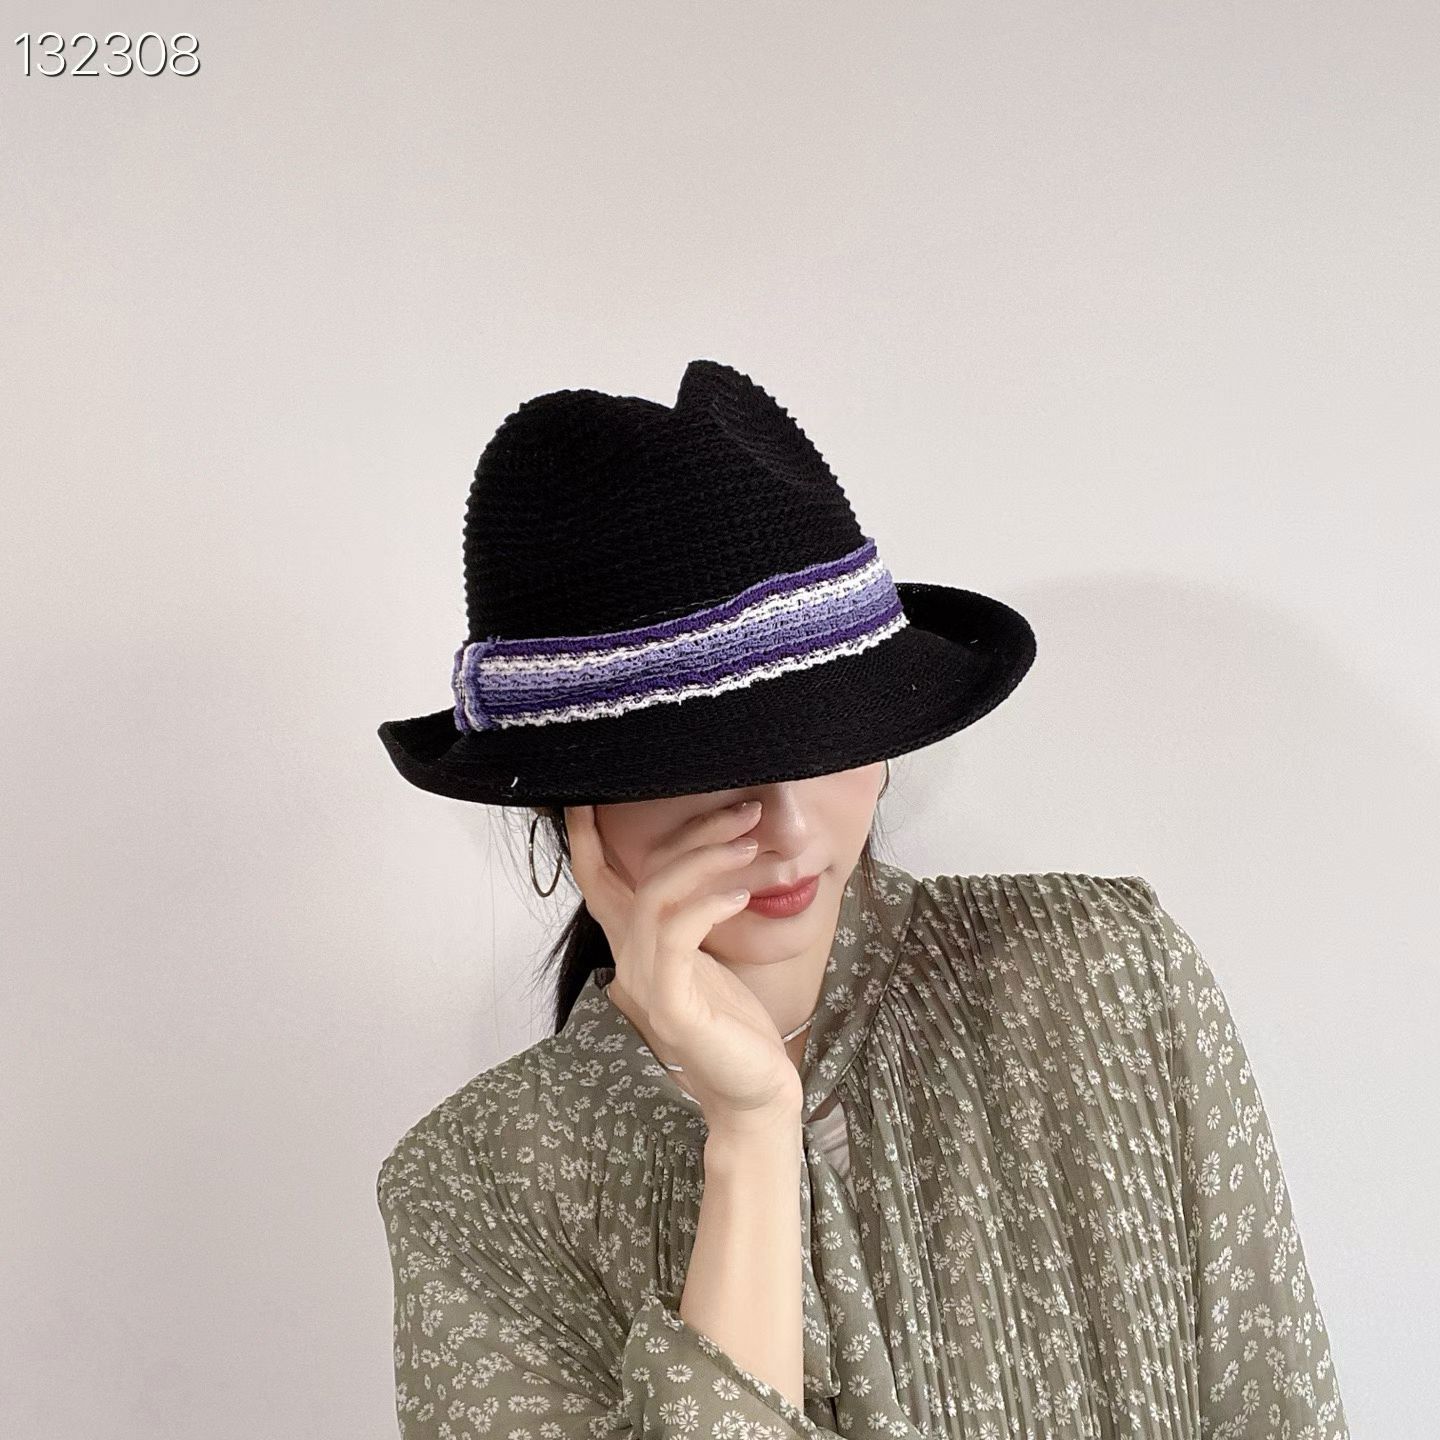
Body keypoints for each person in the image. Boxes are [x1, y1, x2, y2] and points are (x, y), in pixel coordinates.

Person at [374, 358, 1350, 1439]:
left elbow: (1281, 1405)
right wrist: (750, 1138)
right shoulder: (478, 1185)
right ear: (574, 808)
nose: (789, 826)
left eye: (830, 738)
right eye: (707, 764)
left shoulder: (1103, 974)